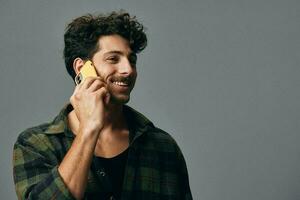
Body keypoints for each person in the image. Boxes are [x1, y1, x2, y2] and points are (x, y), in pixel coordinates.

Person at [13, 11, 193, 200]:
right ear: (82, 69)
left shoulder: (163, 146)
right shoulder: (35, 144)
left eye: (132, 60)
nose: (128, 70)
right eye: (113, 59)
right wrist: (89, 129)